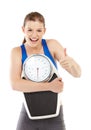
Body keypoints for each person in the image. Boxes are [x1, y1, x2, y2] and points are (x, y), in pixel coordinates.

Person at [10, 11, 81, 130]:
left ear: (44, 31)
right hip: (28, 115)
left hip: (55, 116)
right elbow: (15, 84)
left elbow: (78, 74)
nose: (34, 35)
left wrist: (71, 63)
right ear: (23, 30)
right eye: (30, 30)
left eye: (39, 30)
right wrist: (50, 86)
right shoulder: (17, 52)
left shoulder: (51, 45)